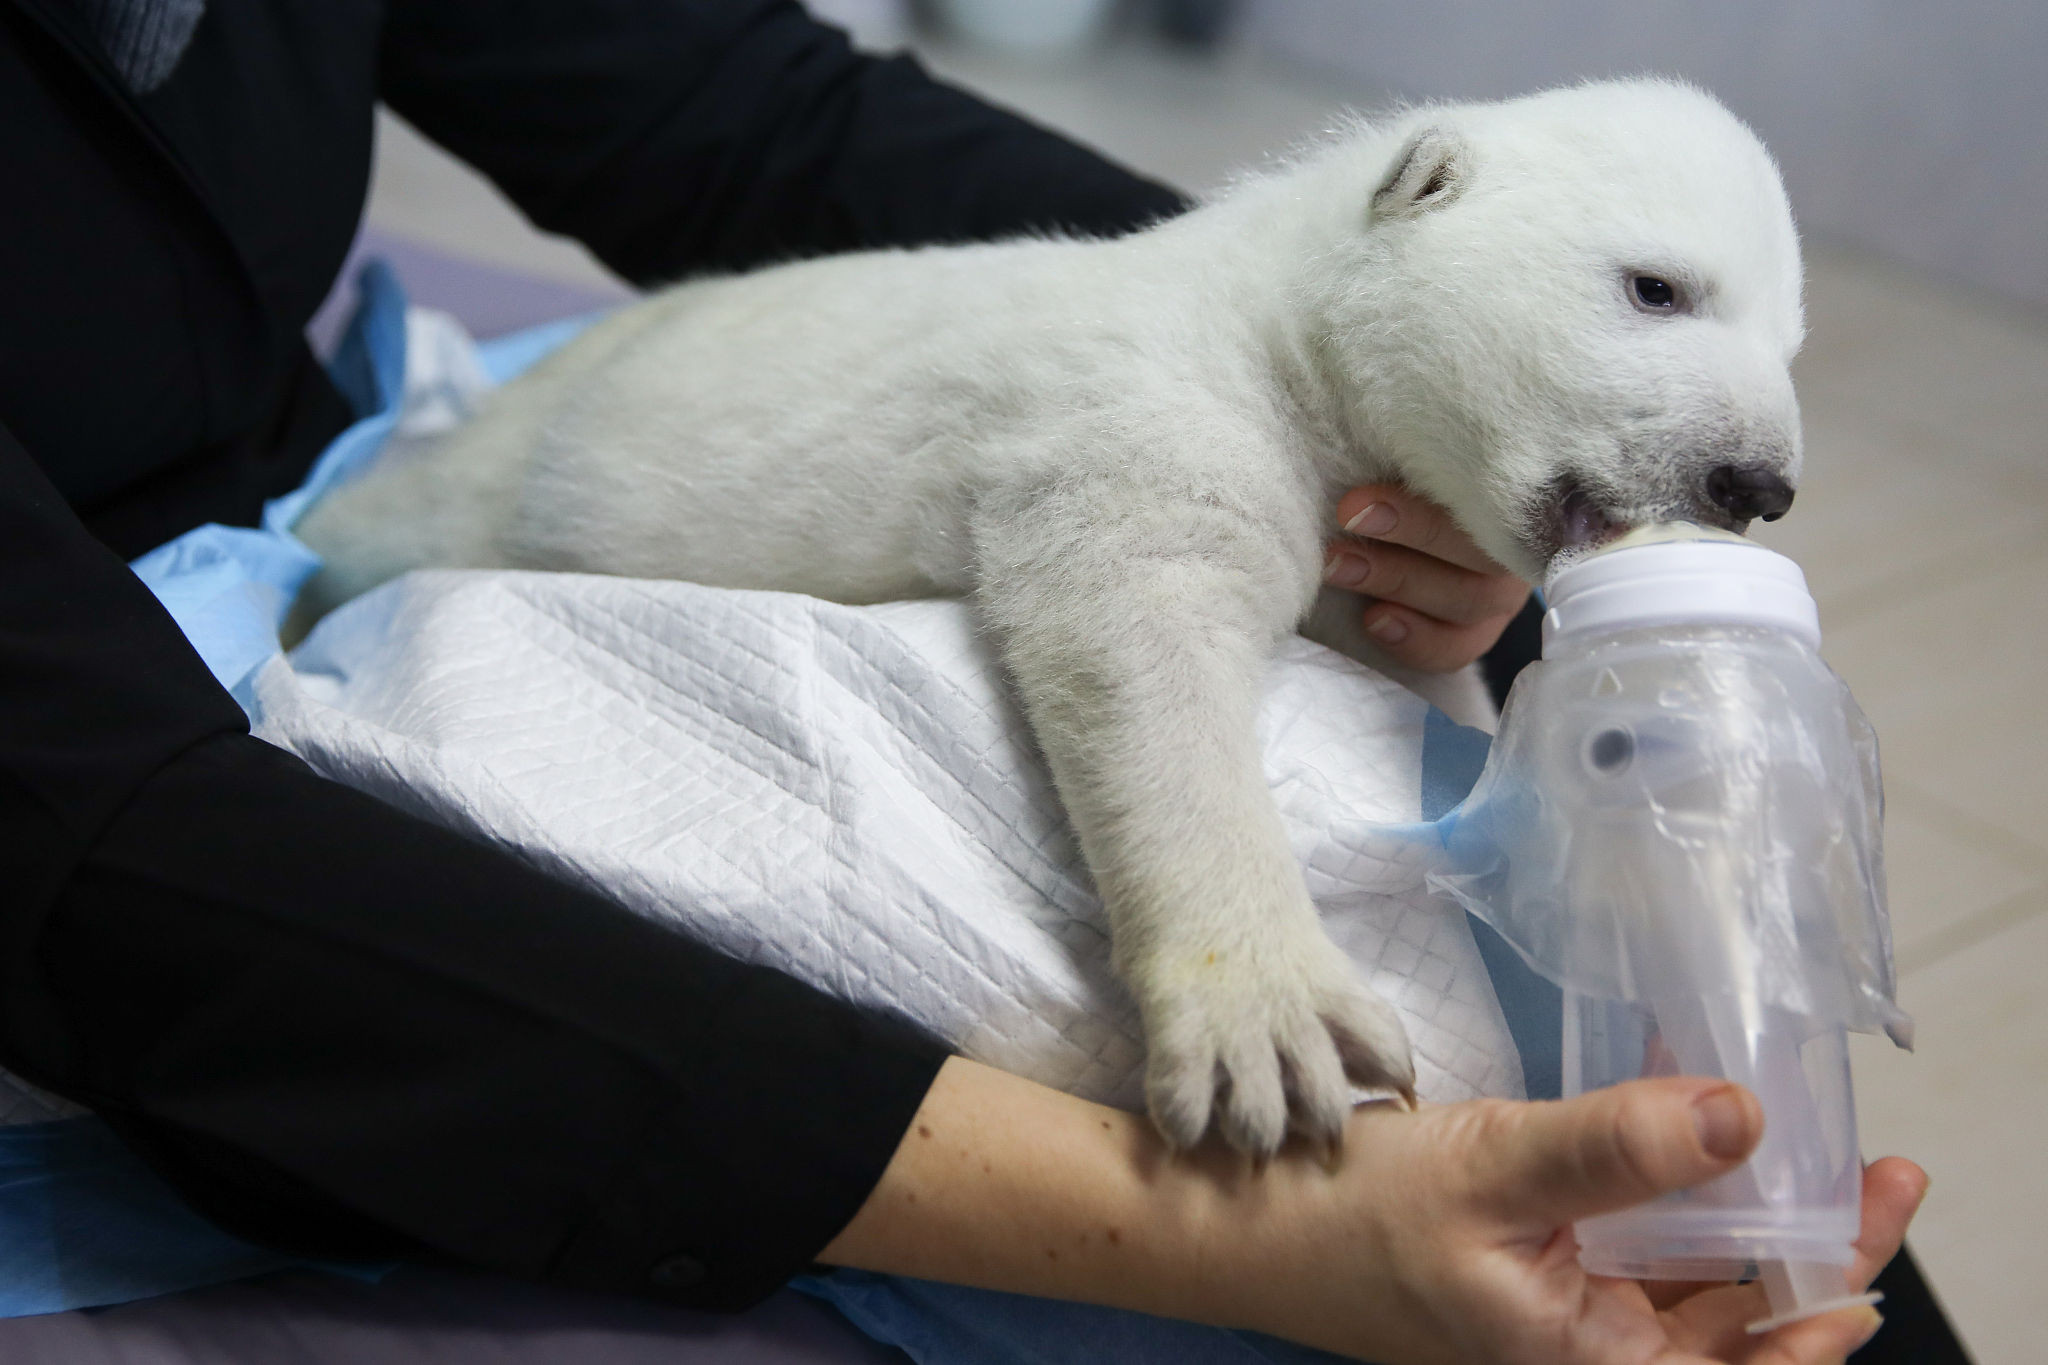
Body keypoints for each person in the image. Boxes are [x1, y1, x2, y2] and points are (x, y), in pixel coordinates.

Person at [0, 1, 1918, 1360]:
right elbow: (100, 831)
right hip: (323, 613)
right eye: (1653, 299)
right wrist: (1216, 1128)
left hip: (380, 463)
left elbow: (748, 116)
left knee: (1739, 1175)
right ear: (1418, 192)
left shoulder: (1213, 334)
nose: (1759, 444)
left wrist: (1450, 482)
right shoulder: (1162, 405)